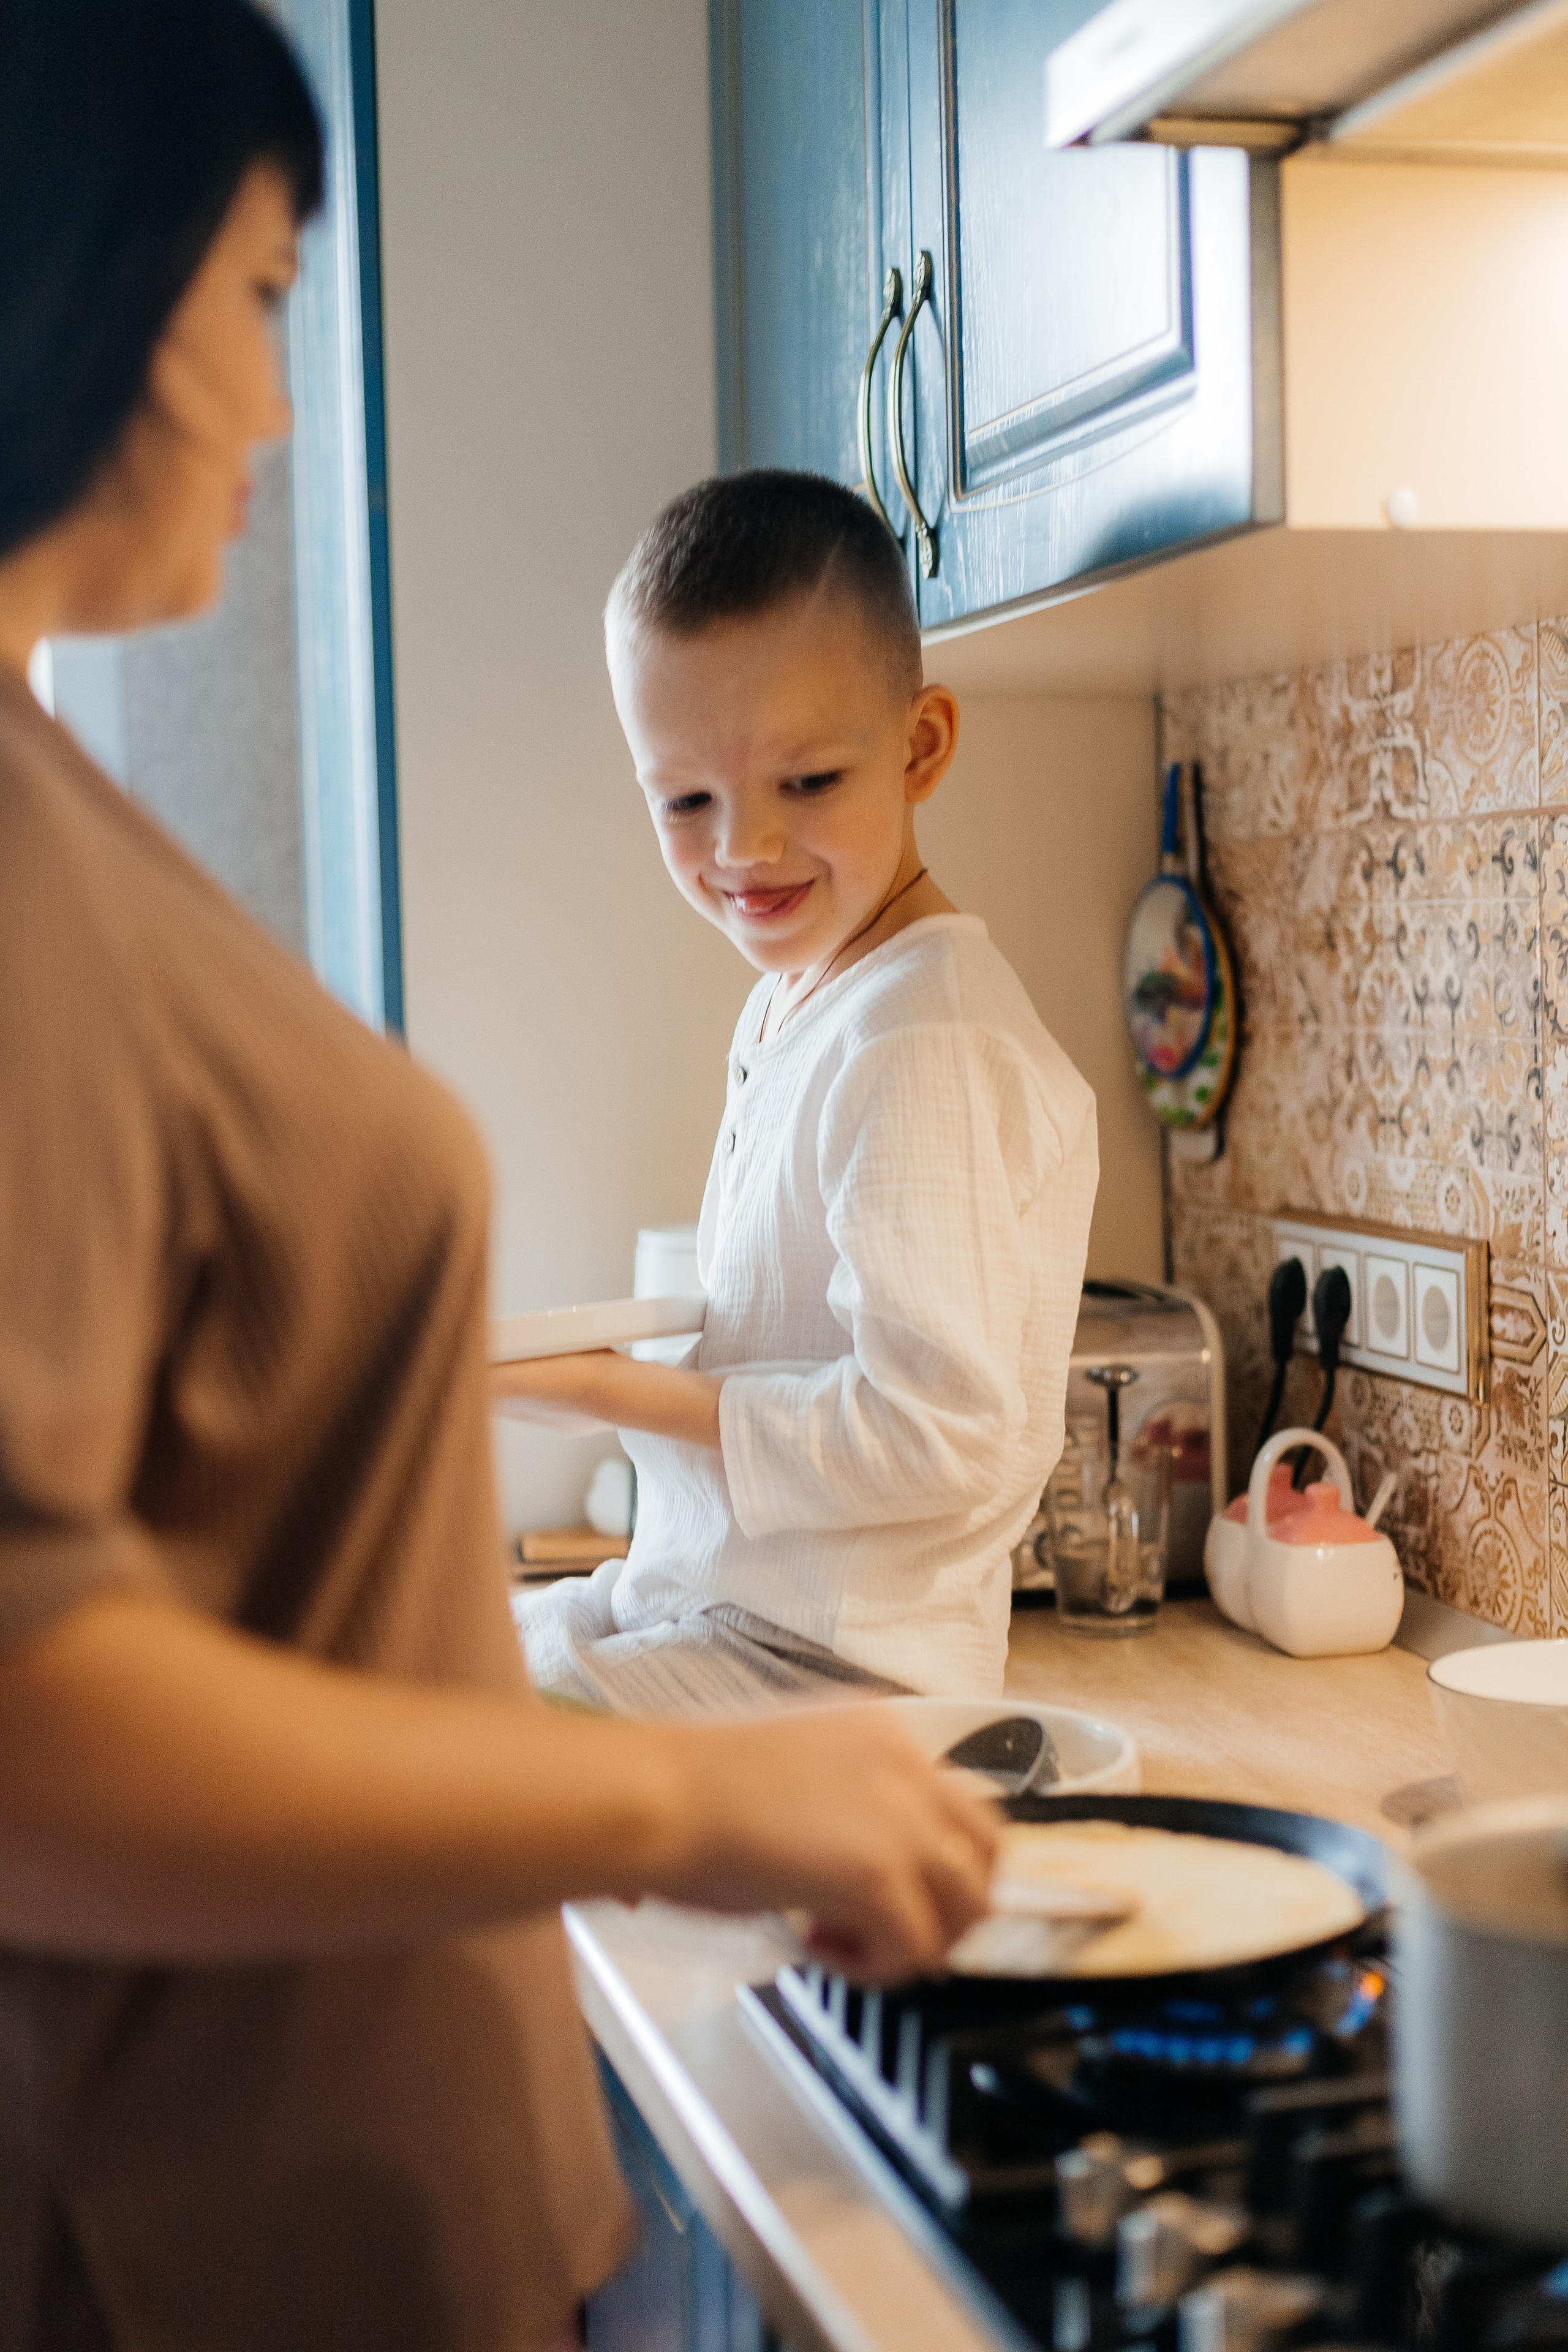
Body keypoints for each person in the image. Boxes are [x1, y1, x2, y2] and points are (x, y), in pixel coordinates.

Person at [0, 7, 1000, 2348]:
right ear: (75, 269)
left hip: (339, 2178)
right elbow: (32, 1709)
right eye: (254, 296)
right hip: (221, 2223)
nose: (275, 397)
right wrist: (688, 1813)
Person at [504, 473, 1099, 1712]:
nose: (744, 849)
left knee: (381, 1757)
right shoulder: (809, 1000)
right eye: (685, 800)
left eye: (807, 783)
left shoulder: (919, 1039)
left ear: (920, 745)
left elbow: (943, 1434)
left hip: (830, 1680)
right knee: (375, 1664)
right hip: (716, 1623)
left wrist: (620, 1394)